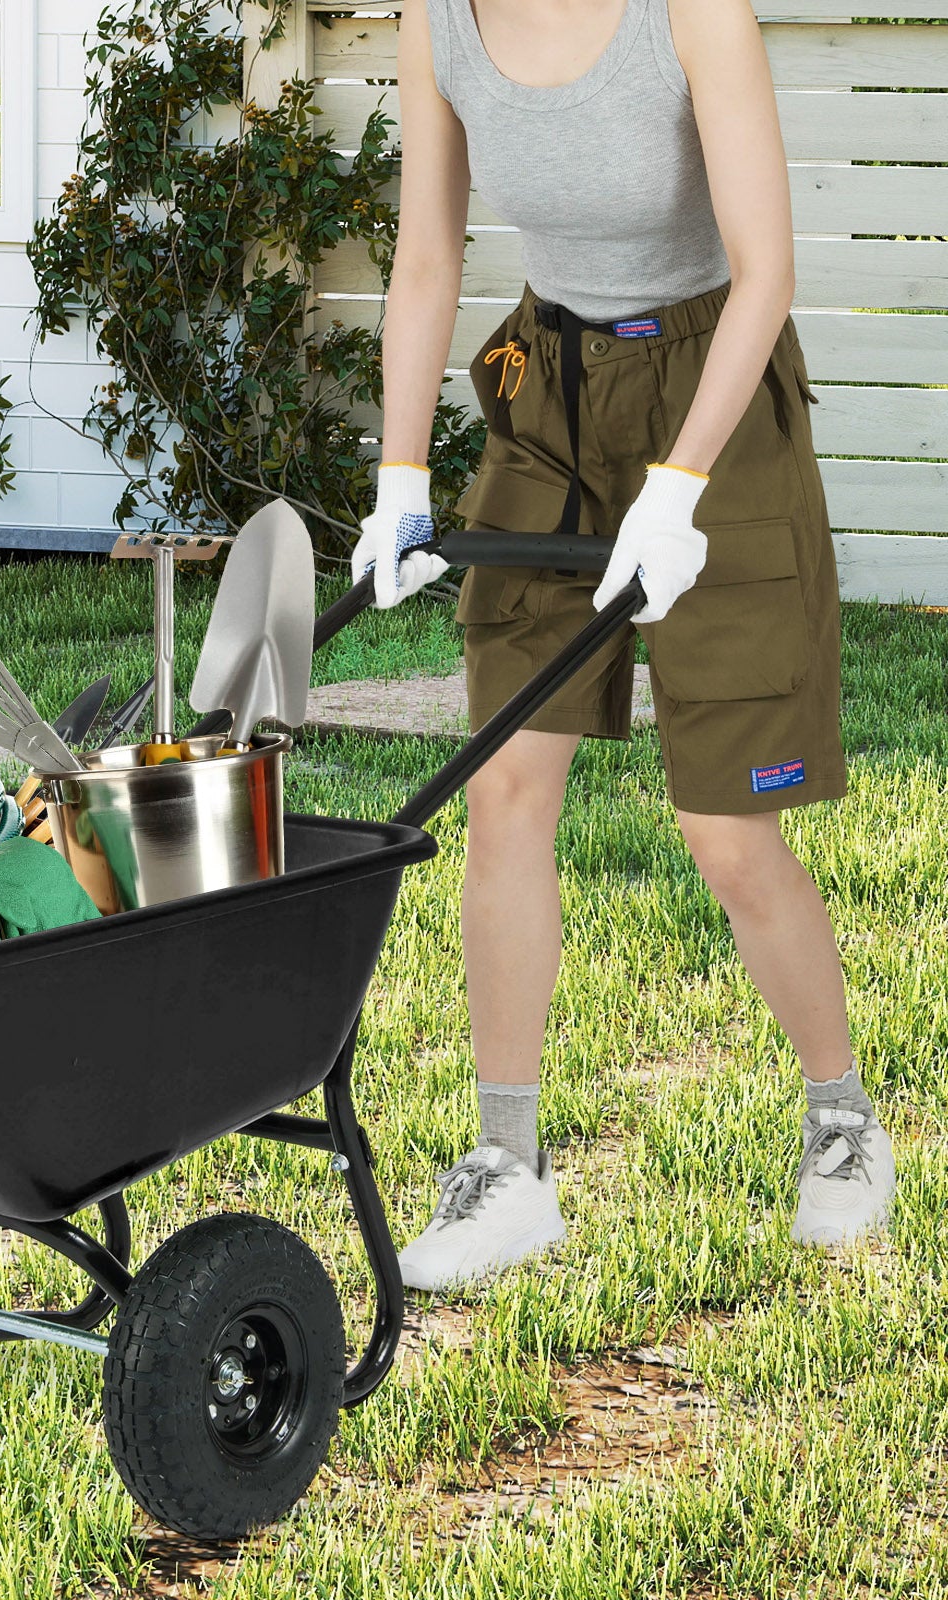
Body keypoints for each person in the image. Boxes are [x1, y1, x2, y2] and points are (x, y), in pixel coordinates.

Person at [352, 0, 896, 1292]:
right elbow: (427, 261)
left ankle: (843, 1121)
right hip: (553, 390)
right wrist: (399, 471)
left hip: (717, 386)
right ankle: (509, 1168)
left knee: (726, 825)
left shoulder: (692, 13)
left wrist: (679, 483)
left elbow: (767, 268)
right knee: (506, 785)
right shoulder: (443, 23)